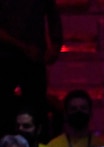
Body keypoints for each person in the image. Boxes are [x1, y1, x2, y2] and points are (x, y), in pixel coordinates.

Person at [0, 2, 62, 132]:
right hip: (7, 59)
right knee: (6, 111)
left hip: (32, 59)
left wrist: (55, 45)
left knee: (37, 110)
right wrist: (25, 48)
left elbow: (53, 15)